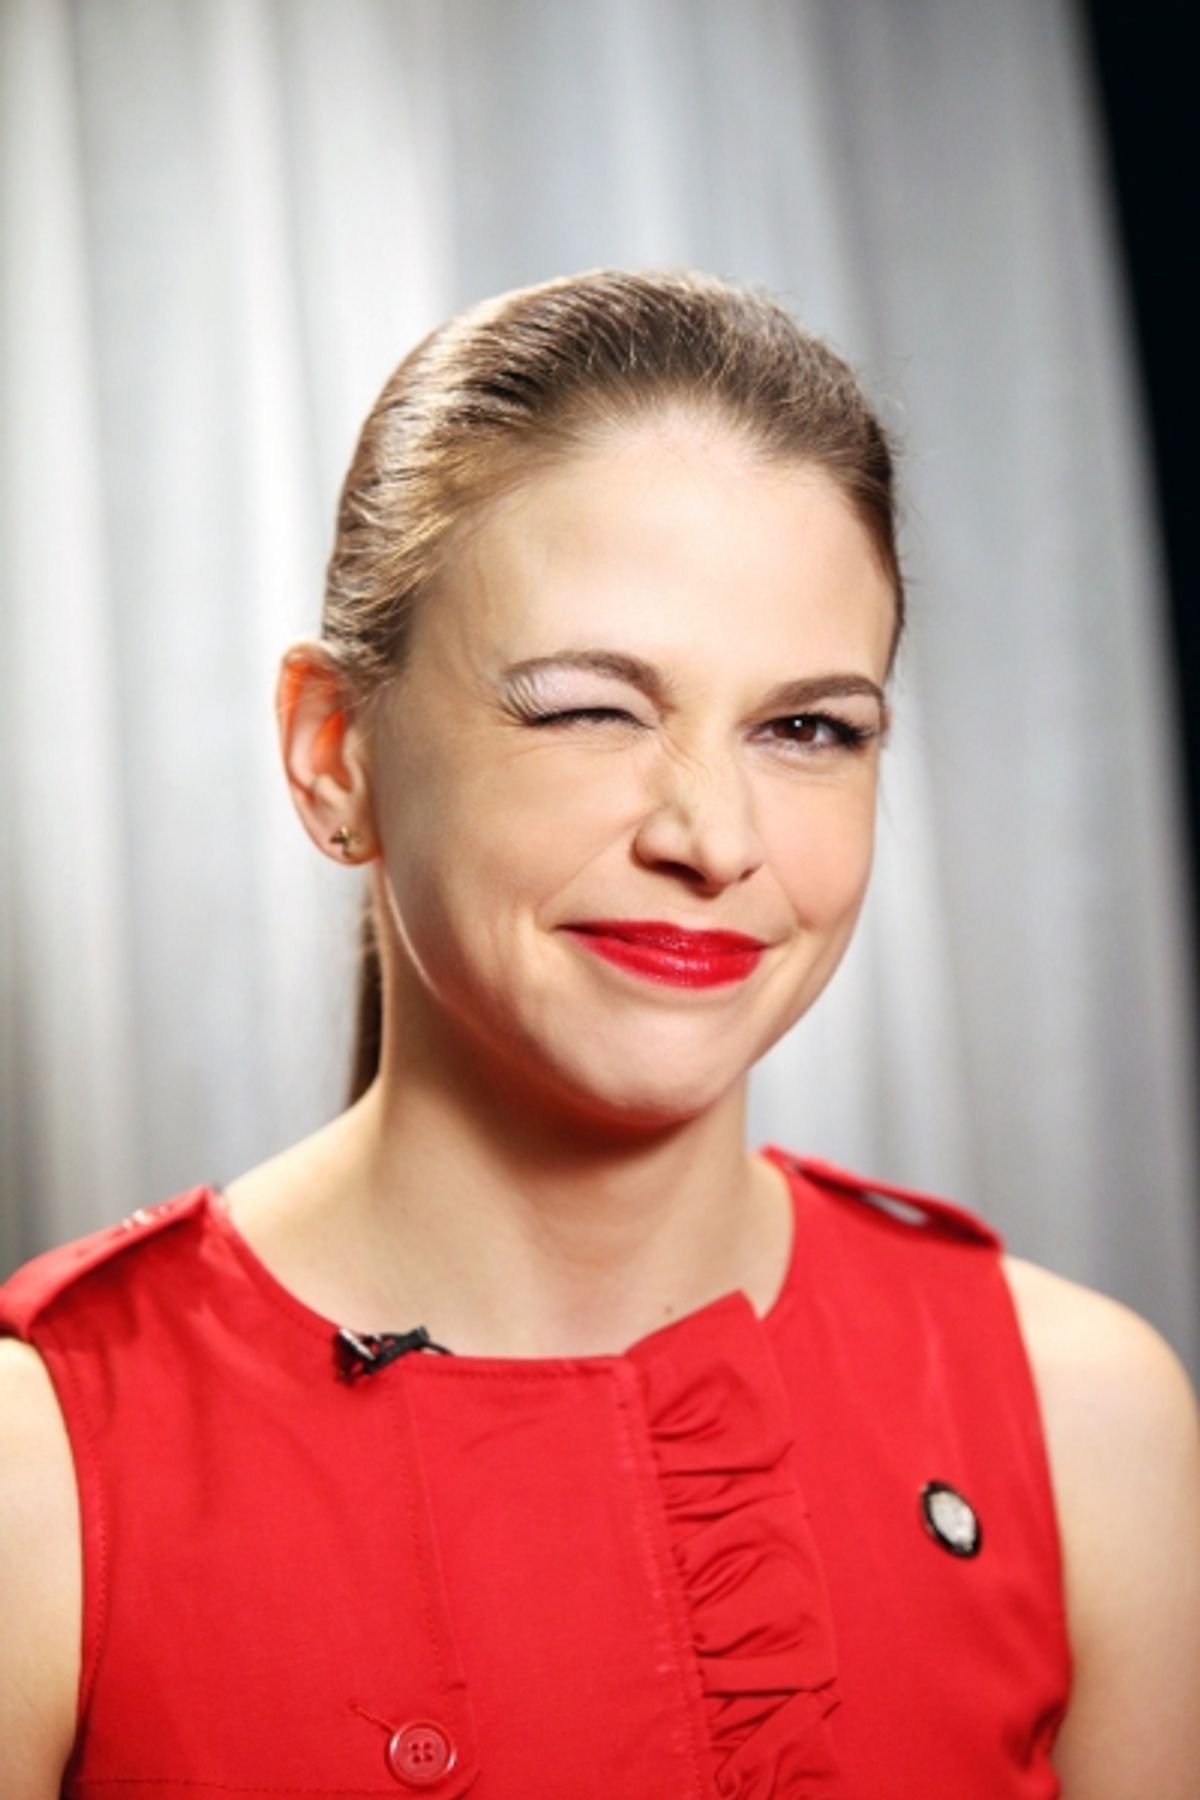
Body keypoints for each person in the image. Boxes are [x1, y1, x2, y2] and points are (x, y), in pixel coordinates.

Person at [1, 268, 1197, 1800]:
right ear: (334, 753)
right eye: (589, 709)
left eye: (808, 729)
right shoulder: (44, 1476)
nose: (714, 838)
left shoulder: (1088, 1417)